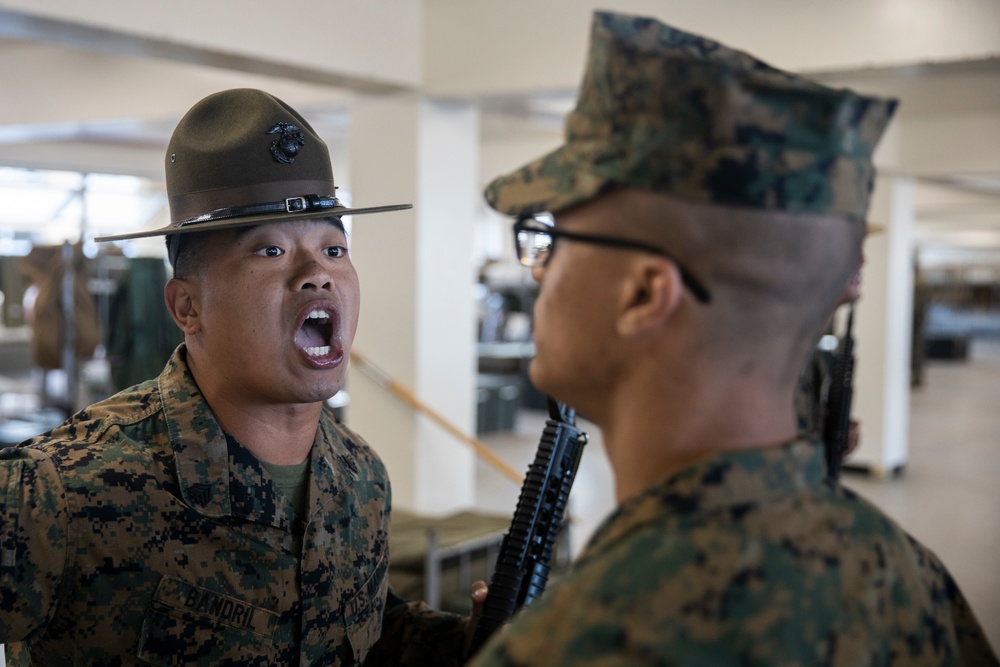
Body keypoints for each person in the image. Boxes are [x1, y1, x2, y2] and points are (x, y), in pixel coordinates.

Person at [468, 11, 998, 666]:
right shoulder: (916, 582)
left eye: (555, 238)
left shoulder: (581, 640)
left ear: (642, 293)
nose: (539, 269)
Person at [0, 88, 484, 665]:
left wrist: (466, 644)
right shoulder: (62, 490)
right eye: (270, 251)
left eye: (333, 249)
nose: (316, 276)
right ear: (187, 308)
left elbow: (360, 628)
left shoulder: (359, 478)